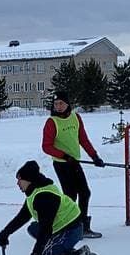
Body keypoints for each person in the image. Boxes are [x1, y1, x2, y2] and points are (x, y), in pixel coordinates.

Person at [0, 159, 101, 255]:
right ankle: (62, 249)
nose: (18, 183)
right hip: (63, 227)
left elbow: (46, 229)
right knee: (33, 228)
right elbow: (22, 217)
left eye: (20, 179)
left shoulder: (44, 197)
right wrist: (5, 233)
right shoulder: (35, 191)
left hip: (72, 229)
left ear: (29, 180)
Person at [42, 90, 105, 238]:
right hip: (62, 165)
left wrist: (95, 156)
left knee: (85, 193)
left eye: (61, 103)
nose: (58, 106)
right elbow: (46, 146)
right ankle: (68, 227)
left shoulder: (76, 118)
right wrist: (63, 156)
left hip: (74, 163)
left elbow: (83, 139)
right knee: (70, 196)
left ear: (68, 104)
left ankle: (82, 226)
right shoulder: (52, 122)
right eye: (56, 104)